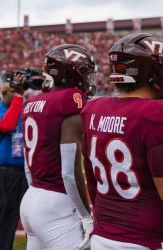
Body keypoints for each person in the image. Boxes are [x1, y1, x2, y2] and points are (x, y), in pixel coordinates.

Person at [81, 33, 163, 250]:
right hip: (147, 240)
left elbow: (91, 179)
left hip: (102, 238)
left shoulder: (93, 109)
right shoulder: (158, 113)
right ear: (154, 70)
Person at [20, 44, 97, 250]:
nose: (88, 81)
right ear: (71, 75)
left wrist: (35, 191)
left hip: (31, 197)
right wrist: (86, 216)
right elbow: (69, 173)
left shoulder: (31, 103)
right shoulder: (70, 99)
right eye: (85, 75)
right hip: (56, 204)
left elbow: (28, 164)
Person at [0, 75, 28, 250]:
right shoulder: (3, 108)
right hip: (5, 172)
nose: (18, 93)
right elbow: (6, 125)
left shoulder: (21, 109)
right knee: (5, 216)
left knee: (20, 216)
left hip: (22, 172)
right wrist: (18, 98)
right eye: (14, 91)